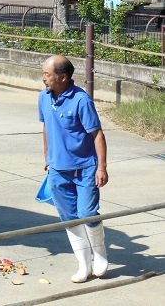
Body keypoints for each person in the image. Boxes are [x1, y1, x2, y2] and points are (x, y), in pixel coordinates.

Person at [38, 55, 109, 283]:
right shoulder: (43, 98)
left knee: (87, 214)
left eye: (47, 75)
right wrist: (47, 157)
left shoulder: (81, 100)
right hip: (58, 170)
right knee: (69, 218)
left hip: (85, 168)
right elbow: (46, 128)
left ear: (63, 77)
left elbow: (97, 134)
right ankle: (83, 264)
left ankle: (99, 255)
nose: (43, 79)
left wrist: (101, 167)